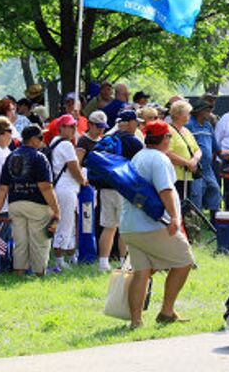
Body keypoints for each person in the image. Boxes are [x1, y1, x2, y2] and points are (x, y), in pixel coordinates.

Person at [121, 120, 195, 329]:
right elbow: (166, 190)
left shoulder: (138, 157)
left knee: (141, 273)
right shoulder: (159, 159)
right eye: (169, 136)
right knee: (184, 261)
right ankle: (167, 311)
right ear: (165, 139)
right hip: (152, 225)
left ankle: (136, 321)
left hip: (130, 225)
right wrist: (174, 218)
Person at [0, 126, 60, 277]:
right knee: (39, 241)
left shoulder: (10, 157)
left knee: (20, 242)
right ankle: (39, 273)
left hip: (15, 204)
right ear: (33, 139)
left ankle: (18, 272)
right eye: (40, 138)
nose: (42, 141)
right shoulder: (39, 157)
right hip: (37, 204)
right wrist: (56, 210)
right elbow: (45, 187)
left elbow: (2, 188)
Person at [97, 110, 142, 271]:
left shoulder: (108, 139)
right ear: (130, 123)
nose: (138, 125)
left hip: (106, 188)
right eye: (136, 122)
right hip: (124, 189)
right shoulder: (134, 142)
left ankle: (103, 262)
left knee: (108, 227)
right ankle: (124, 261)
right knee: (125, 226)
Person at [50, 114, 88, 270]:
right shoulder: (66, 145)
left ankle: (70, 256)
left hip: (62, 187)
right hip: (66, 188)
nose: (73, 129)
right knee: (65, 224)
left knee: (70, 224)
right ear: (61, 128)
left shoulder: (54, 142)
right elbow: (73, 167)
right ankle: (59, 260)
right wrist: (83, 180)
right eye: (70, 126)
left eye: (74, 126)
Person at [186, 99, 221, 221]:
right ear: (200, 112)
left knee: (215, 191)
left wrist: (225, 156)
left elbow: (215, 146)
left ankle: (215, 223)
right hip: (196, 169)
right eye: (208, 110)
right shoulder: (189, 125)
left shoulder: (208, 126)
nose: (210, 113)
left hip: (208, 168)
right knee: (196, 196)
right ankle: (195, 226)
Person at [166, 100, 202, 203]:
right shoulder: (169, 131)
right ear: (178, 114)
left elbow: (197, 149)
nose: (190, 116)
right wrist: (187, 163)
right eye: (188, 113)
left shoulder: (186, 131)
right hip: (175, 176)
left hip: (188, 176)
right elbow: (167, 152)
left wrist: (194, 160)